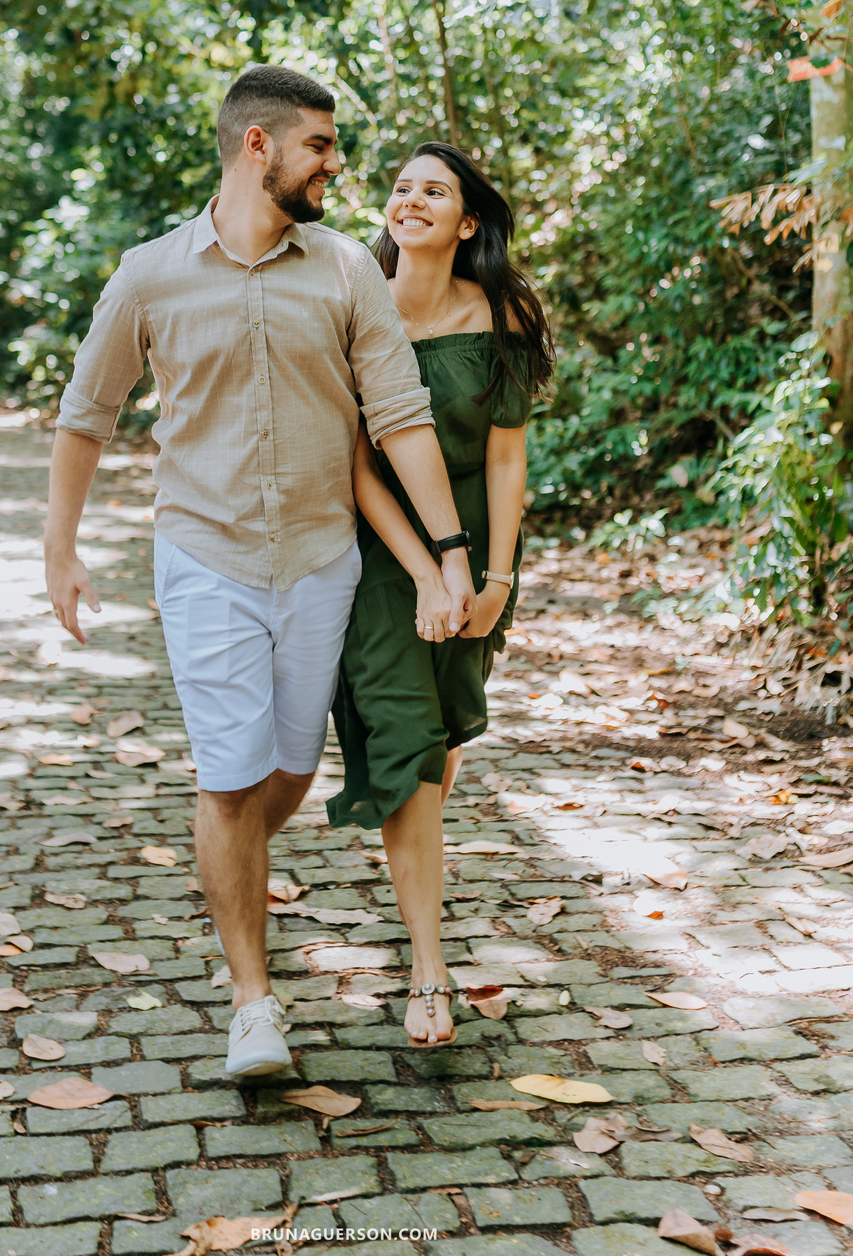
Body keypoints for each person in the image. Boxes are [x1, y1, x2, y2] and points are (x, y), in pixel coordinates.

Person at [43, 67, 477, 1080]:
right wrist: (60, 547)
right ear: (258, 147)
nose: (336, 163)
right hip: (205, 558)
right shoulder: (150, 274)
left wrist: (449, 556)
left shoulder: (340, 270)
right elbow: (85, 412)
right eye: (320, 145)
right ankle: (254, 1004)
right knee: (230, 779)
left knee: (286, 770)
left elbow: (402, 416)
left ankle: (226, 857)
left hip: (322, 560)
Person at [327, 142, 554, 1047]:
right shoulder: (349, 297)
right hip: (383, 552)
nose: (410, 198)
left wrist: (496, 577)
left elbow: (506, 454)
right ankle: (430, 969)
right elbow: (353, 464)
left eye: (435, 190)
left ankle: (418, 875)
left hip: (483, 543)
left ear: (466, 224)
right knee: (410, 744)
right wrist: (427, 569)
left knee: (446, 739)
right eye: (400, 186)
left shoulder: (497, 312)